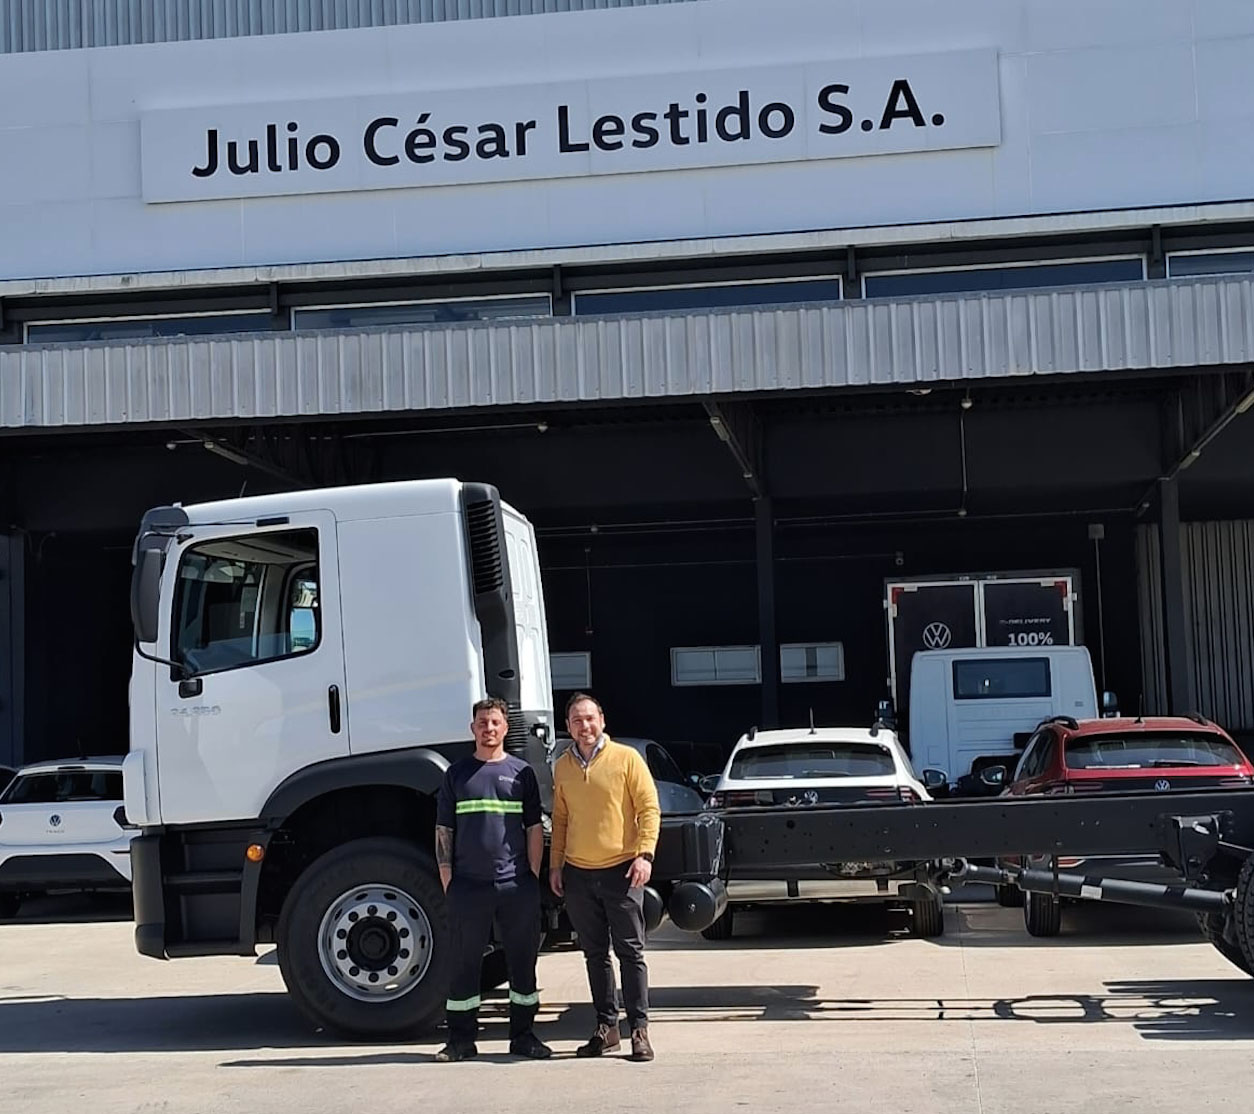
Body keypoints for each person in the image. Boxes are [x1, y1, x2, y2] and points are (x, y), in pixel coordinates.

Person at [434, 696, 549, 1062]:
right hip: (468, 886)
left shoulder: (521, 773)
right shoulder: (456, 774)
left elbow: (534, 828)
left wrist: (531, 875)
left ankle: (523, 1037)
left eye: (495, 722)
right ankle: (460, 1041)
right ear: (473, 728)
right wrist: (448, 879)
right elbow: (444, 829)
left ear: (505, 728)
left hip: (516, 885)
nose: (489, 728)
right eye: (482, 722)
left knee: (522, 964)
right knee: (464, 965)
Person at [549, 692, 661, 1062]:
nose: (584, 726)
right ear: (568, 727)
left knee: (630, 952)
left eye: (590, 718)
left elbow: (648, 808)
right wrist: (556, 865)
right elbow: (561, 819)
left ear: (602, 720)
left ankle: (639, 1030)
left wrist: (644, 854)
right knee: (594, 953)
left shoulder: (626, 758)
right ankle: (606, 1028)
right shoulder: (562, 766)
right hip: (579, 873)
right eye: (576, 720)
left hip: (622, 870)